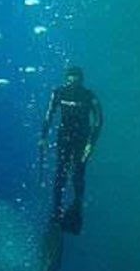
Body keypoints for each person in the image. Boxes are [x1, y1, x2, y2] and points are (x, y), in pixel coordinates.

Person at [39, 66, 103, 234]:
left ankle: (77, 208)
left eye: (76, 78)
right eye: (70, 78)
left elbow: (98, 120)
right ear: (66, 78)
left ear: (81, 80)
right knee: (61, 172)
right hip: (64, 139)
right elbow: (49, 114)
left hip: (81, 141)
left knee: (77, 173)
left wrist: (91, 144)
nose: (73, 82)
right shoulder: (59, 93)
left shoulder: (89, 96)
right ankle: (56, 210)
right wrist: (43, 137)